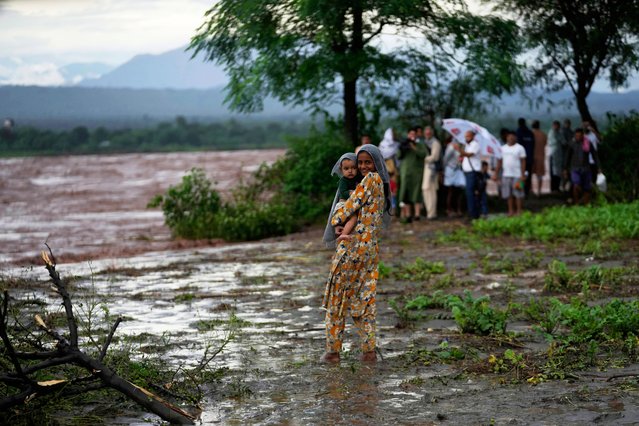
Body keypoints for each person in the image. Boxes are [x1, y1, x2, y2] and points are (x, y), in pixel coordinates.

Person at [322, 145, 391, 364]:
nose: (362, 167)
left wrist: (337, 216)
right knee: (365, 300)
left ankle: (332, 352)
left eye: (367, 162)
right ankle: (368, 351)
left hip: (352, 248)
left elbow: (345, 210)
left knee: (337, 299)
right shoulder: (380, 185)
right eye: (360, 163)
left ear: (376, 164)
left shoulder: (369, 180)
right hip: (370, 250)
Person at [563, 128, 600, 205]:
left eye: (579, 136)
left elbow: (594, 155)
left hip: (586, 168)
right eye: (576, 136)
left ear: (583, 135)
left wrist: (599, 167)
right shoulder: (571, 144)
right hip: (575, 169)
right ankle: (577, 202)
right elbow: (567, 157)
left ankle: (585, 204)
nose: (578, 137)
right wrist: (565, 169)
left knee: (587, 188)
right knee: (576, 185)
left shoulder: (588, 143)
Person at [494, 131, 526, 216]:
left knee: (518, 193)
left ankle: (519, 211)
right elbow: (499, 162)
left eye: (512, 136)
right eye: (509, 137)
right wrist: (496, 174)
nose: (510, 138)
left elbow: (523, 162)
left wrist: (523, 175)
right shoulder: (502, 148)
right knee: (508, 194)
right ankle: (510, 211)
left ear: (515, 138)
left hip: (518, 175)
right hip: (506, 174)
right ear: (506, 138)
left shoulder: (520, 148)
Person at [398, 127, 427, 222]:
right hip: (406, 172)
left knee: (416, 193)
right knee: (406, 193)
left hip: (417, 173)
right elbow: (398, 156)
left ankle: (417, 214)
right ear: (408, 135)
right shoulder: (404, 144)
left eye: (414, 134)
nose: (412, 136)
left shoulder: (420, 145)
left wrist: (413, 147)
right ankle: (408, 214)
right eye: (410, 134)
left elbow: (424, 154)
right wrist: (404, 147)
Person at [457, 130, 483, 220]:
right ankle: (472, 212)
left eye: (468, 136)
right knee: (469, 193)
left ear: (473, 136)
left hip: (473, 172)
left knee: (471, 193)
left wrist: (458, 149)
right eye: (465, 136)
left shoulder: (475, 144)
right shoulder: (467, 145)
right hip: (467, 172)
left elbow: (468, 155)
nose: (466, 138)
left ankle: (473, 214)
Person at [421, 126, 442, 220]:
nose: (427, 134)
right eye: (426, 132)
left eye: (429, 132)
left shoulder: (435, 143)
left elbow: (435, 157)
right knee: (427, 190)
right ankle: (430, 212)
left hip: (431, 169)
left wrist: (422, 159)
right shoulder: (424, 142)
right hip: (425, 168)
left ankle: (431, 213)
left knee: (430, 190)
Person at [442, 135, 465, 217]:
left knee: (459, 190)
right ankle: (449, 210)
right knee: (450, 190)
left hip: (459, 169)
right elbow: (445, 159)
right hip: (450, 169)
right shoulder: (450, 146)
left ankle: (458, 209)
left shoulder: (462, 147)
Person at [516, 117, 535, 197]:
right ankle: (526, 191)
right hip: (529, 159)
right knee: (527, 176)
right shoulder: (530, 133)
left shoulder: (518, 133)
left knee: (521, 176)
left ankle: (522, 191)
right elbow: (533, 146)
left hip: (520, 160)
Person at [547, 120, 566, 193]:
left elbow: (564, 142)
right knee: (553, 172)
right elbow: (559, 141)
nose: (556, 127)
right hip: (553, 154)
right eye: (555, 125)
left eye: (557, 126)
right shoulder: (551, 133)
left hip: (559, 156)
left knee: (558, 172)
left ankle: (557, 187)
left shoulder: (559, 133)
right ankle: (553, 188)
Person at [531, 120, 547, 197]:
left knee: (525, 175)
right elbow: (545, 143)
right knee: (540, 176)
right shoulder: (543, 134)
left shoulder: (530, 134)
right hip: (541, 157)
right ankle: (539, 191)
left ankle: (527, 190)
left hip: (531, 157)